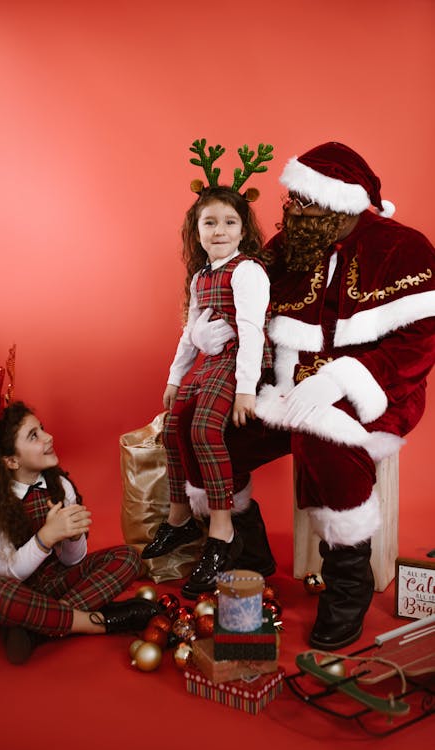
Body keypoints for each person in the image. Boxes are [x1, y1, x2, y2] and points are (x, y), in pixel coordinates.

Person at [177, 141, 435, 648]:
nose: (290, 210)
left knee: (325, 432)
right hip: (282, 385)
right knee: (198, 424)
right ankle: (247, 549)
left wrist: (340, 380)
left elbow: (420, 340)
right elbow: (243, 305)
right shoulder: (288, 244)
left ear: (338, 200)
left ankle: (348, 582)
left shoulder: (402, 247)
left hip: (374, 390)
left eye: (302, 200)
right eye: (290, 200)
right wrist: (212, 334)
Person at [142, 176, 275, 599]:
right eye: (209, 223)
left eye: (229, 223)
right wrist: (174, 377)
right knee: (173, 423)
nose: (219, 232)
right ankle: (179, 518)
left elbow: (252, 330)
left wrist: (246, 389)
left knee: (203, 429)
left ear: (243, 230)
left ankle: (222, 532)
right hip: (214, 361)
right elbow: (190, 332)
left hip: (242, 362)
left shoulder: (247, 270)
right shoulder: (201, 277)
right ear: (195, 231)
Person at [0, 399, 161, 664]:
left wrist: (73, 538)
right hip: (13, 588)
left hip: (55, 583)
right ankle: (95, 623)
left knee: (129, 557)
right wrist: (46, 536)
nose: (48, 437)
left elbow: (72, 561)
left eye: (42, 428)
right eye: (34, 435)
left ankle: (35, 631)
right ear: (12, 461)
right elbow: (9, 573)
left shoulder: (60, 485)